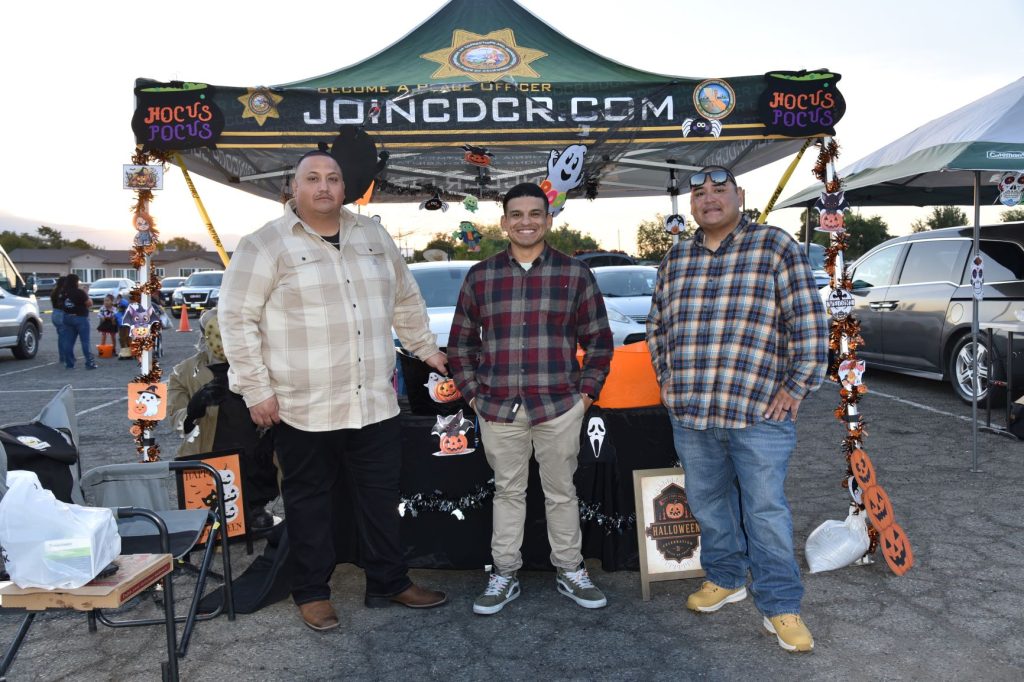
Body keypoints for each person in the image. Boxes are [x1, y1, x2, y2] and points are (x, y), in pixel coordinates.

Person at [218, 128, 449, 632]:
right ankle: (312, 592)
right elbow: (236, 320)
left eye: (333, 178)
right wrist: (256, 389)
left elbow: (405, 299)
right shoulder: (264, 244)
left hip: (374, 402)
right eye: (313, 178)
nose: (324, 186)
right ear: (293, 187)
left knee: (380, 499)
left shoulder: (374, 237)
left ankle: (389, 580)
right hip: (303, 405)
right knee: (309, 504)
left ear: (346, 187)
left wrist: (427, 350)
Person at [646, 166, 828, 652]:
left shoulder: (775, 246)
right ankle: (726, 578)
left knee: (765, 512)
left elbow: (809, 322)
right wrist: (667, 381)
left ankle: (780, 604)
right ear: (691, 204)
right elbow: (657, 326)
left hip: (759, 413)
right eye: (700, 193)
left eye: (719, 190)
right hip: (692, 413)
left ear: (740, 195)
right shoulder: (676, 257)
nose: (709, 199)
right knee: (708, 504)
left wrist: (798, 385)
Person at [447, 182, 614, 616]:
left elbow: (599, 341)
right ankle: (504, 573)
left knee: (562, 492)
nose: (526, 222)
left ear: (548, 220)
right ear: (504, 222)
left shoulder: (575, 274)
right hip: (497, 406)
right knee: (508, 492)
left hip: (559, 405)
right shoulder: (481, 276)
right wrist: (473, 397)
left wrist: (585, 396)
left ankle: (570, 569)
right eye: (517, 214)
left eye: (535, 213)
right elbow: (460, 345)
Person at [167, 309, 280, 531]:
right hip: (211, 452)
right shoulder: (184, 372)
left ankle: (255, 505)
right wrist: (194, 408)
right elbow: (175, 417)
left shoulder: (259, 365)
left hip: (255, 452)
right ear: (204, 336)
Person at [59, 274, 96, 370]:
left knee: (68, 342)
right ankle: (89, 363)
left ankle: (69, 364)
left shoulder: (63, 292)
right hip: (80, 317)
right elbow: (89, 303)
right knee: (85, 341)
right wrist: (86, 293)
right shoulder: (79, 292)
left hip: (67, 317)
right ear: (75, 282)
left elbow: (60, 304)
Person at [50, 276, 71, 366]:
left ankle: (62, 356)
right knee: (65, 337)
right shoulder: (63, 292)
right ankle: (65, 357)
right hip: (61, 314)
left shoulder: (54, 292)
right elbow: (64, 305)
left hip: (55, 314)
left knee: (61, 336)